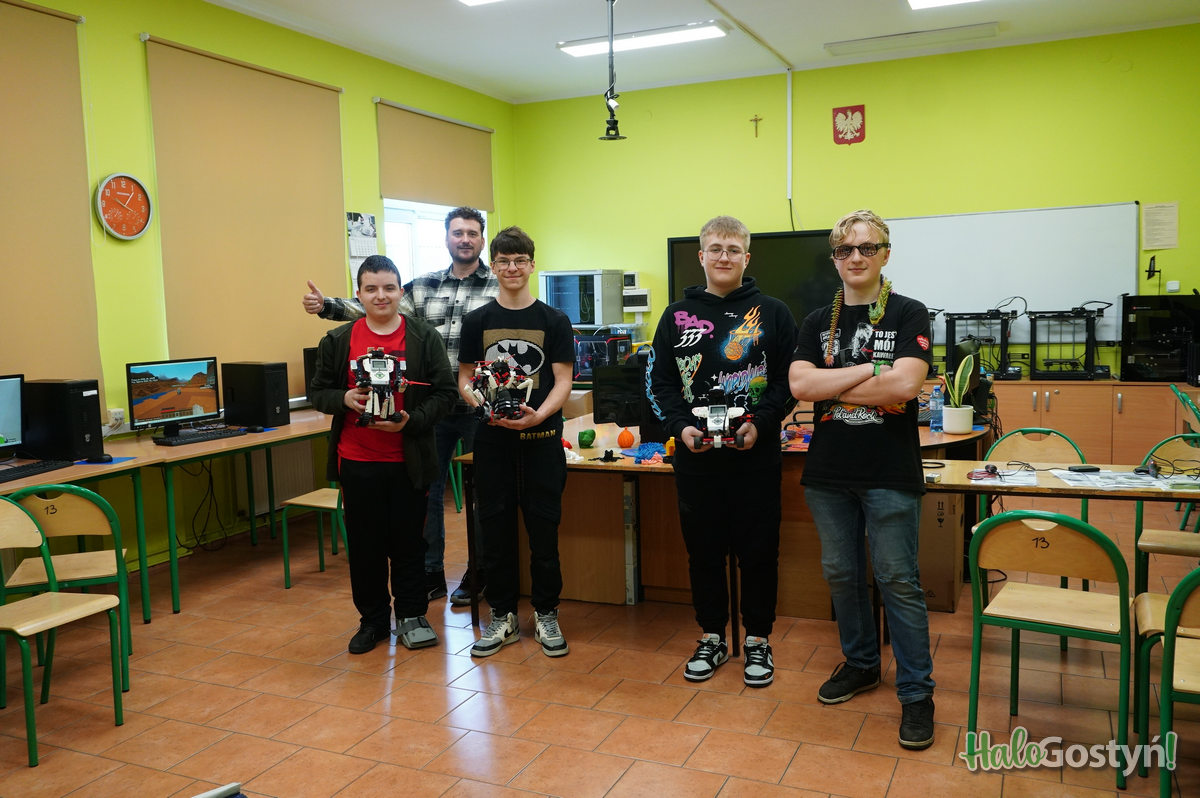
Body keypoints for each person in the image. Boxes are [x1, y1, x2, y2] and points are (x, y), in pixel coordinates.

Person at [788, 209, 936, 749]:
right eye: (845, 250)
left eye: (867, 248)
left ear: (885, 254)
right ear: (835, 259)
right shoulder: (815, 322)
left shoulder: (909, 312)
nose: (856, 257)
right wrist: (872, 370)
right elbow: (801, 385)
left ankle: (916, 693)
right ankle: (861, 664)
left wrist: (832, 384)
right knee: (842, 576)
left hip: (889, 474)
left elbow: (904, 387)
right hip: (829, 475)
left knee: (898, 579)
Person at [304, 207, 499, 605]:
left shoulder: (499, 287)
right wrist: (327, 306)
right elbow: (377, 303)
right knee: (429, 495)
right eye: (457, 232)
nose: (464, 239)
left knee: (484, 494)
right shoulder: (423, 286)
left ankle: (479, 573)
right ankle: (430, 573)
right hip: (430, 411)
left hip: (480, 407)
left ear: (482, 239)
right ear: (446, 238)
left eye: (472, 233)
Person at [646, 215, 798, 687]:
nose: (724, 257)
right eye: (715, 248)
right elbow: (659, 383)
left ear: (746, 257)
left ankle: (758, 640)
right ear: (702, 256)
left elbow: (788, 382)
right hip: (697, 460)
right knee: (704, 554)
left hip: (756, 456)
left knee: (759, 554)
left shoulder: (774, 313)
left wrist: (761, 423)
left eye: (733, 249)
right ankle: (711, 635)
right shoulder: (675, 316)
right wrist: (680, 427)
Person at [309, 255, 458, 654]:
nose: (381, 296)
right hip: (357, 462)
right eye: (371, 288)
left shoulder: (424, 337)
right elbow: (318, 392)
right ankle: (373, 621)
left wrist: (410, 422)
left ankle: (411, 616)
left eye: (389, 288)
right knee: (365, 548)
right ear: (358, 294)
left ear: (400, 292)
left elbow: (446, 395)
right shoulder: (338, 340)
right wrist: (344, 398)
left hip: (409, 463)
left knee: (410, 545)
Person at [456, 226, 574, 658]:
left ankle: (546, 613)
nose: (512, 268)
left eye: (519, 260)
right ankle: (502, 615)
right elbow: (465, 379)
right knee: (496, 532)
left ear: (531, 265)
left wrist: (539, 415)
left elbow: (563, 380)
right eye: (504, 261)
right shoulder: (477, 320)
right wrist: (483, 407)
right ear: (493, 266)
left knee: (544, 532)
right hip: (493, 444)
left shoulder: (554, 320)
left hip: (542, 441)